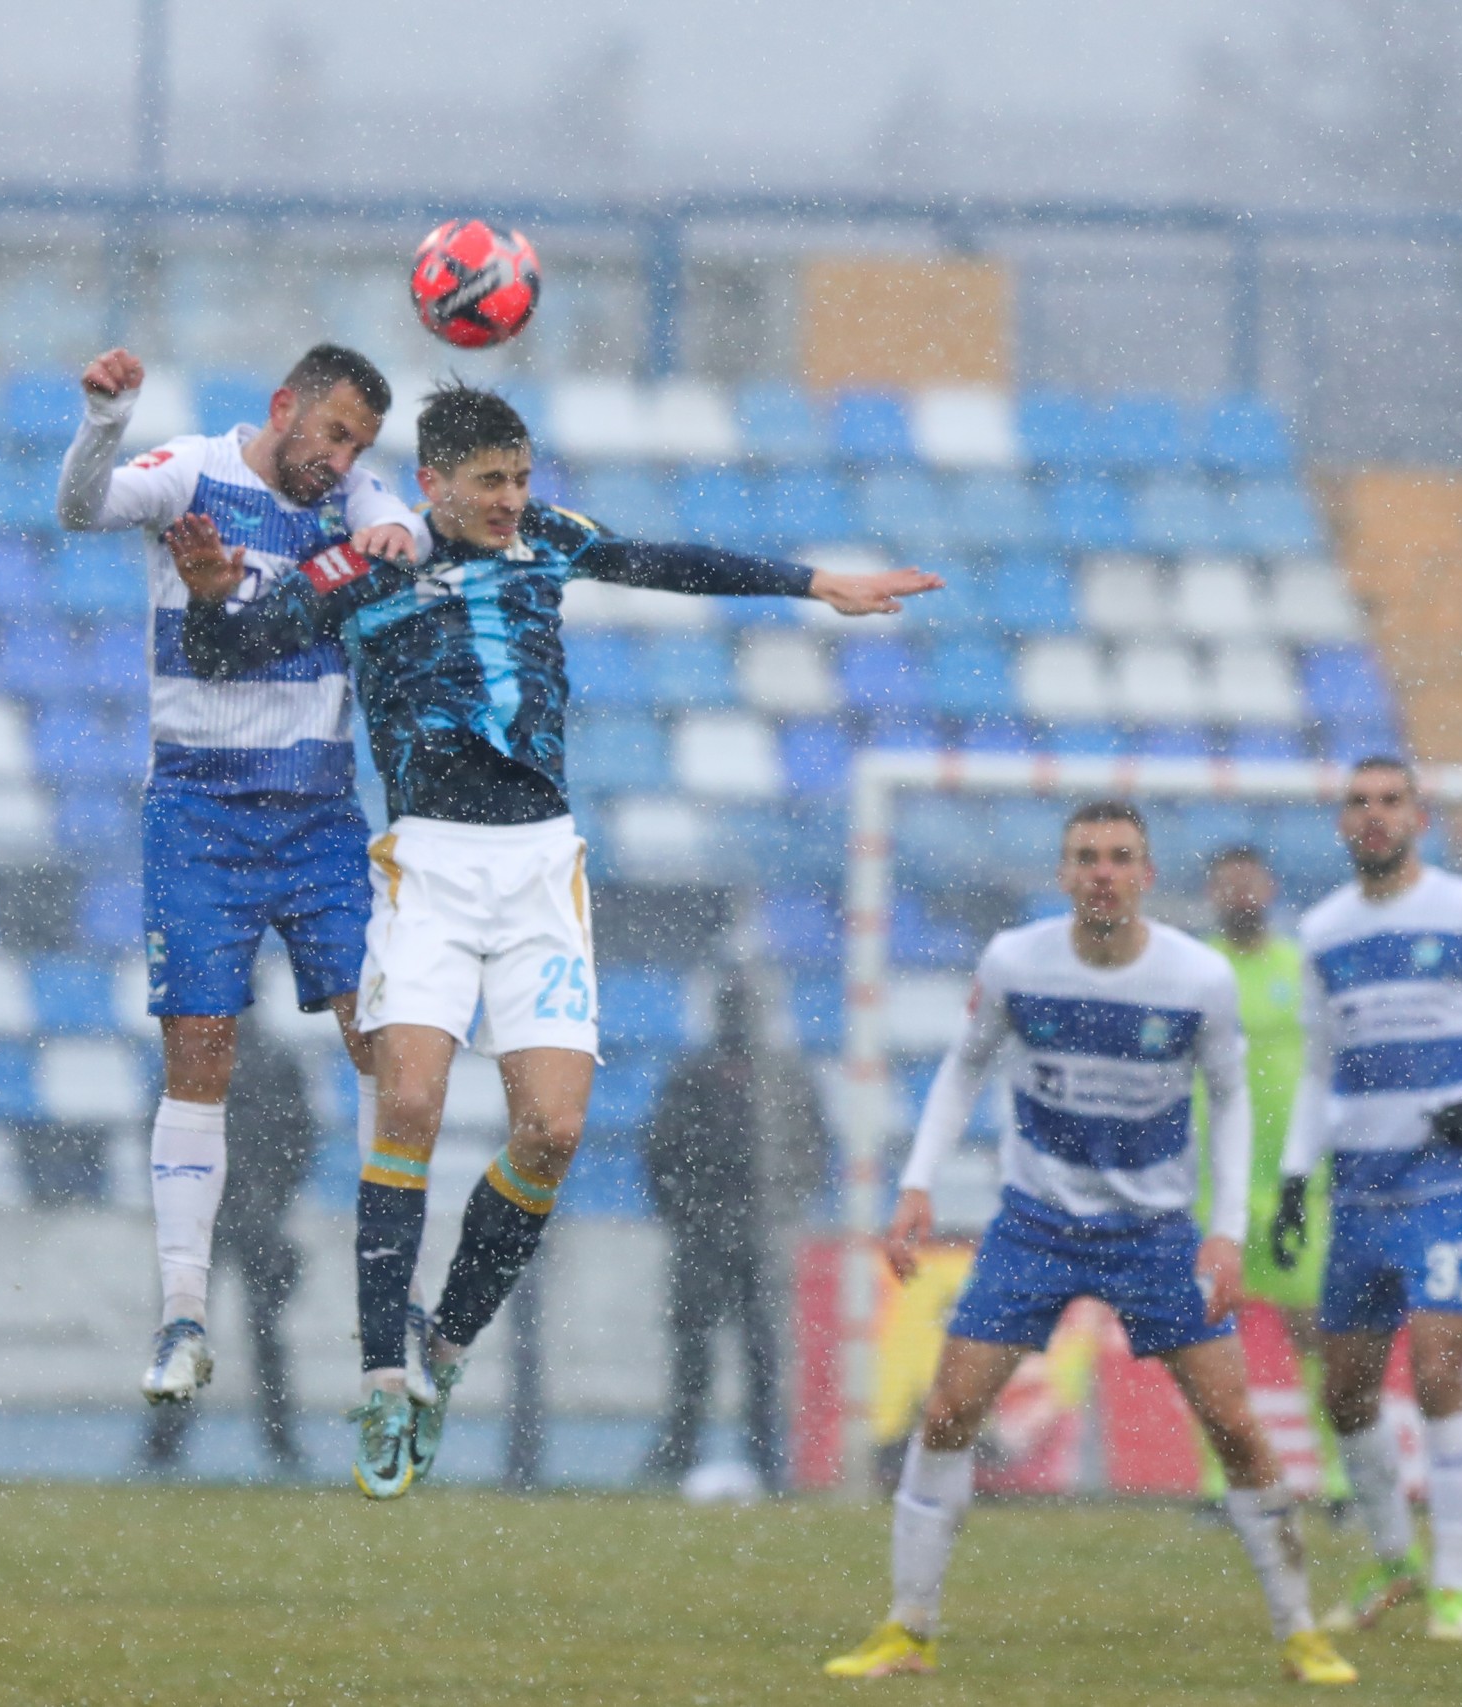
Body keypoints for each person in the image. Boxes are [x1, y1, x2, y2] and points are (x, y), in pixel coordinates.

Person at [170, 379, 939, 1499]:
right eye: (492, 482)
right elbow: (236, 645)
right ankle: (383, 1376)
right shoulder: (364, 563)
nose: (513, 501)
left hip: (541, 870)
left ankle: (443, 1345)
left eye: (522, 479)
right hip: (428, 864)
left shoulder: (549, 545)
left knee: (553, 1131)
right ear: (432, 482)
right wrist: (202, 598)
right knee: (414, 1106)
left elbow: (668, 561)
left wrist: (818, 585)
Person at [824, 802, 1357, 1687]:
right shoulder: (1016, 963)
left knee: (1235, 1424)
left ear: (1146, 874)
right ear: (1064, 874)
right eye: (1085, 857)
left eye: (1119, 857)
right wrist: (917, 1181)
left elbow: (1227, 1101)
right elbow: (964, 1066)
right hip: (1034, 1223)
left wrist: (1223, 1232)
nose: (1102, 871)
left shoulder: (1194, 978)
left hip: (1153, 1233)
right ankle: (907, 1626)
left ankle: (1301, 1632)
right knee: (951, 1409)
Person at [56, 343, 426, 1407]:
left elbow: (389, 519)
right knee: (200, 1055)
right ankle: (181, 1315)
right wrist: (101, 423)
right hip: (198, 810)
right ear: (284, 410)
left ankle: (384, 1292)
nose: (343, 457)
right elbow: (82, 509)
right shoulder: (191, 471)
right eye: (335, 433)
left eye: (359, 443)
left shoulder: (352, 497)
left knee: (384, 1041)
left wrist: (387, 522)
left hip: (315, 814)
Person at [1273, 755, 1462, 1643]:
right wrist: (1296, 1177)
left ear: (1420, 815)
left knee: (1438, 1366)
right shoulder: (1323, 931)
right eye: (1359, 803)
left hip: (1453, 1181)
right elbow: (1322, 1070)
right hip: (1360, 1188)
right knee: (1346, 1395)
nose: (1374, 816)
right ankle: (1392, 1556)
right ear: (1341, 822)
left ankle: (1453, 1583)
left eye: (1390, 801)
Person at [1193, 846, 1349, 1513]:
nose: (1241, 894)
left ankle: (1337, 1478)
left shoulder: (1302, 967)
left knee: (1314, 1329)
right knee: (1209, 1333)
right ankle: (1219, 1481)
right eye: (1228, 884)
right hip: (1213, 1182)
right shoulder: (1194, 969)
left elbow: (1332, 1065)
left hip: (1294, 1181)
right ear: (1212, 893)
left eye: (1250, 881)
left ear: (1271, 886)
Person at [637, 969, 824, 1492]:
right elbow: (660, 1153)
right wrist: (692, 1217)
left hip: (752, 1234)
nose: (740, 1019)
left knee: (759, 1354)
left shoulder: (781, 1076)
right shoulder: (697, 1074)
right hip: (710, 1234)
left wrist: (776, 1213)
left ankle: (764, 1462)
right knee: (697, 1354)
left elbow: (811, 1150)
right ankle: (685, 1454)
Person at [140, 1010, 320, 1475]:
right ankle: (279, 1441)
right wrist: (275, 1196)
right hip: (250, 1209)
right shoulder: (275, 1058)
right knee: (263, 1331)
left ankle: (166, 1440)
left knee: (188, 1325)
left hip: (215, 1211)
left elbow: (161, 1129)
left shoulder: (194, 1054)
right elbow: (301, 1135)